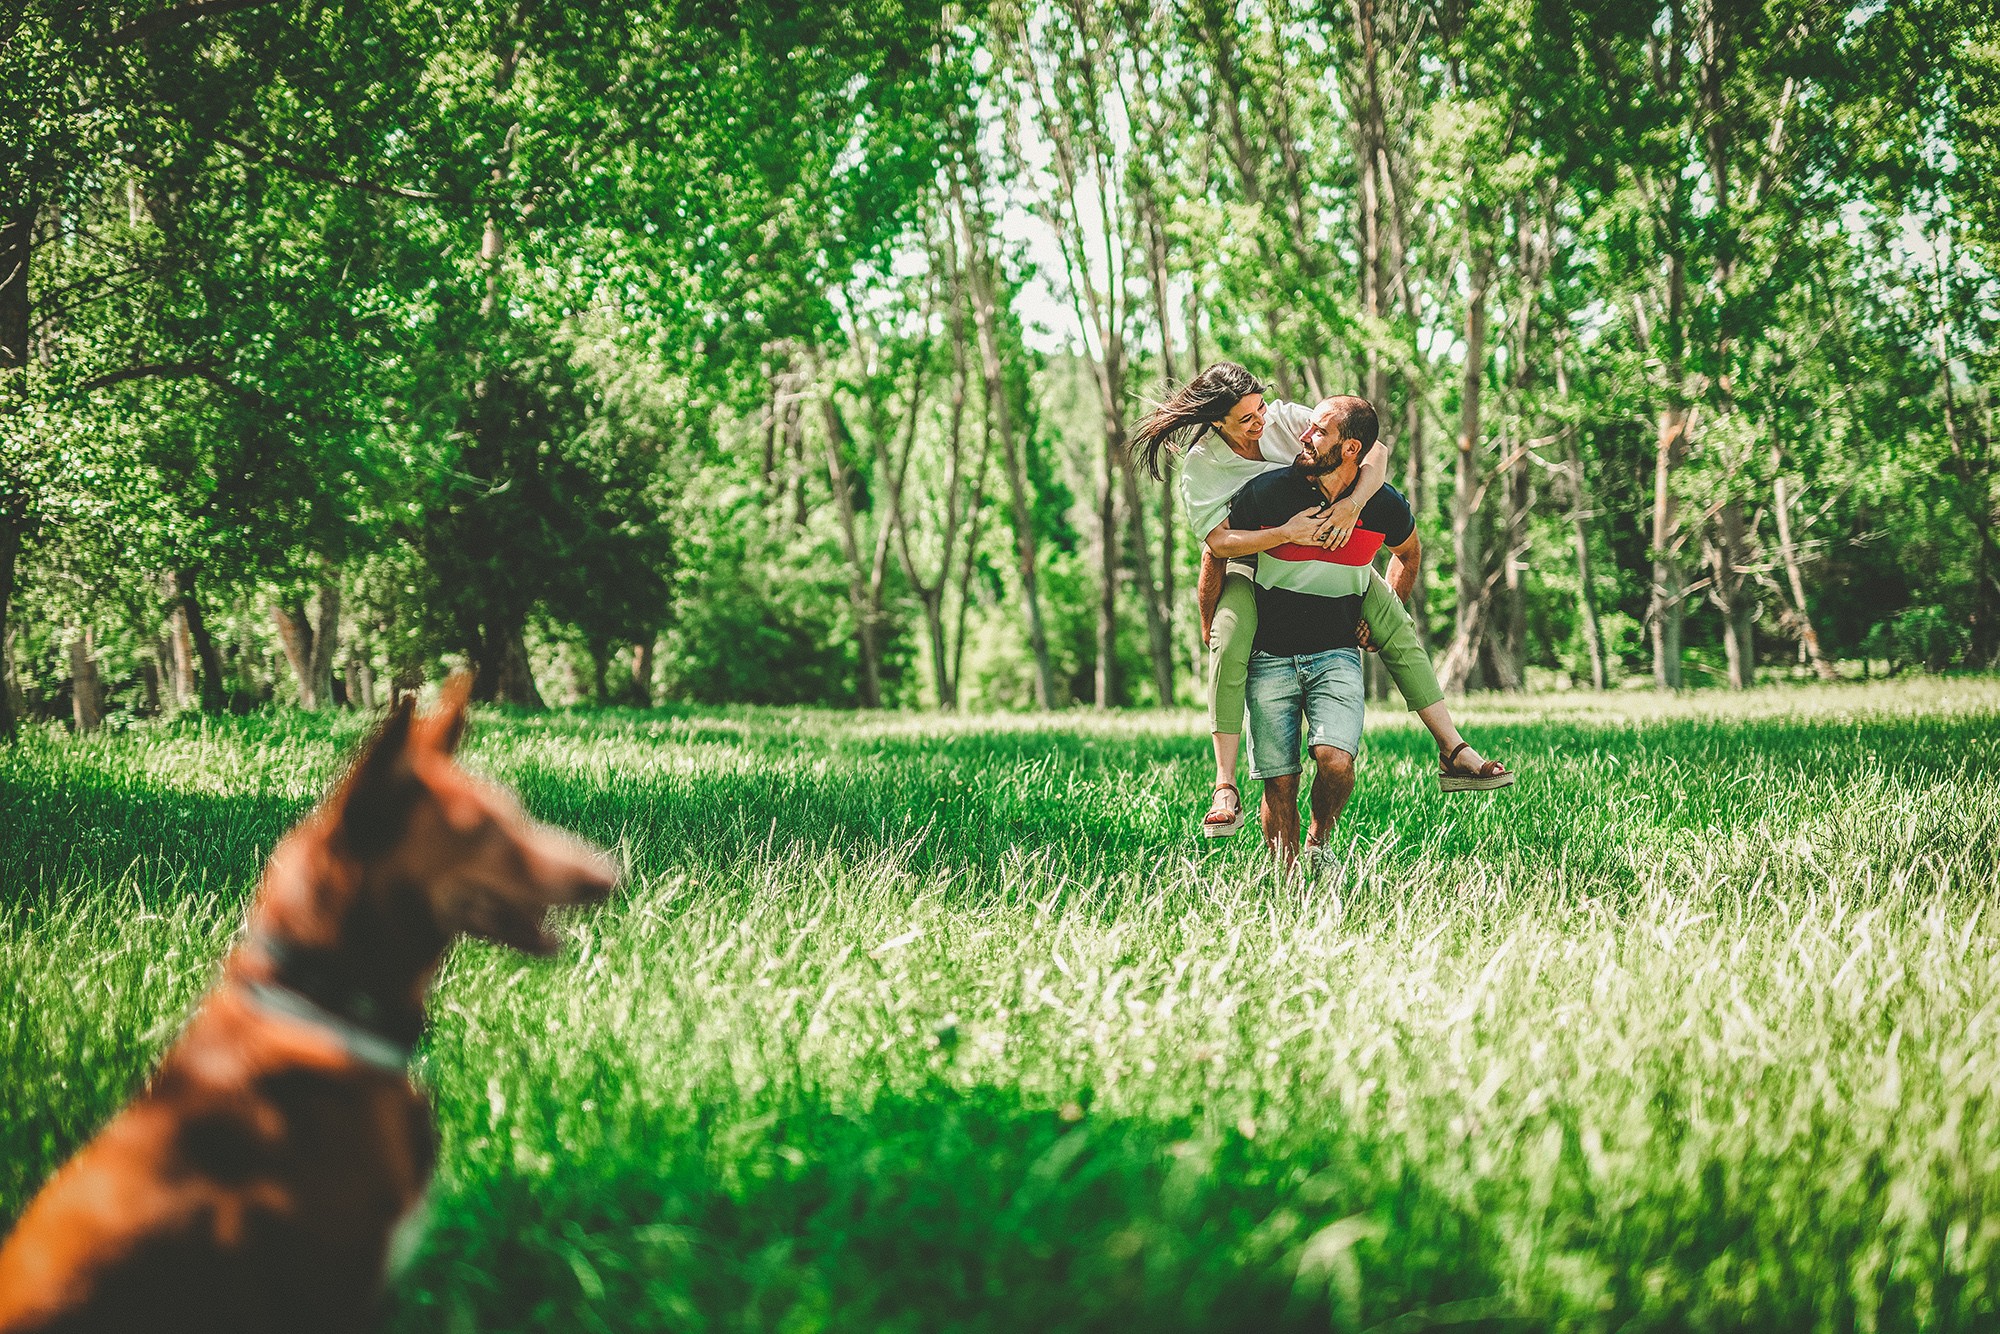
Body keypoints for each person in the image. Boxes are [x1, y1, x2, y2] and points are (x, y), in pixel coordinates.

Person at [1131, 366, 1511, 839]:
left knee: (1395, 623)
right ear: (1217, 422)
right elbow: (1218, 545)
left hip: (1330, 552)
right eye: (1246, 418)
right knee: (1227, 642)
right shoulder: (1204, 466)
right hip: (1254, 559)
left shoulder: (1284, 421)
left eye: (1260, 407)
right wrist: (1285, 533)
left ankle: (1453, 748)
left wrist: (1352, 505)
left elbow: (1371, 445)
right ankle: (1225, 784)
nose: (1261, 422)